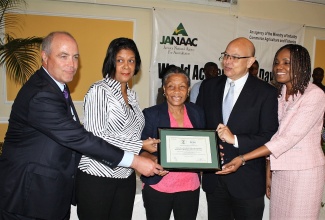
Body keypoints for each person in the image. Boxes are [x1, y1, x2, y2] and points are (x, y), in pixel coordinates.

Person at [0, 32, 162, 220]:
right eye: (63, 56)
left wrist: (145, 153)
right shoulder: (42, 94)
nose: (72, 64)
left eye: (75, 57)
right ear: (44, 57)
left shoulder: (58, 87)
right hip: (31, 195)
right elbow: (84, 138)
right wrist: (137, 157)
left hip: (60, 189)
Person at [218, 44, 325, 220]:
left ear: (302, 64)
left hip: (304, 172)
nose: (279, 67)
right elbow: (272, 134)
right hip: (280, 170)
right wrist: (269, 173)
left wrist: (243, 158)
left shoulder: (314, 95)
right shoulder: (279, 92)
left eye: (286, 62)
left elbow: (286, 139)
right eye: (276, 62)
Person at [75, 37, 158, 220]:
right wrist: (141, 145)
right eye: (120, 60)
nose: (126, 66)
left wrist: (150, 146)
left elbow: (132, 132)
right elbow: (96, 136)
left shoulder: (132, 95)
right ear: (111, 62)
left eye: (131, 61)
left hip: (125, 175)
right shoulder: (99, 90)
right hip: (98, 176)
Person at [196, 37, 278, 220]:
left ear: (250, 62)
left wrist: (236, 140)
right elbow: (199, 126)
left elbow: (270, 136)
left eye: (234, 57)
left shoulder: (266, 93)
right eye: (225, 55)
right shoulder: (209, 87)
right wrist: (206, 148)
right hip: (214, 180)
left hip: (247, 181)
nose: (227, 61)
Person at [141, 66, 205, 220]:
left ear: (188, 90)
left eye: (182, 86)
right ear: (164, 89)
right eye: (171, 86)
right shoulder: (151, 114)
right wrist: (154, 160)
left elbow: (202, 143)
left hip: (190, 187)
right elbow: (140, 148)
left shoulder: (197, 112)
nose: (177, 91)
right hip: (159, 187)